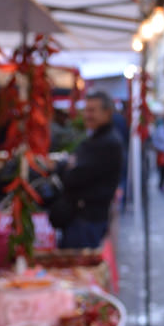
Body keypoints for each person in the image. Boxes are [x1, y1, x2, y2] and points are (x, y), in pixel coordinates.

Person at [58, 91, 123, 249]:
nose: (87, 115)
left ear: (107, 113)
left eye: (92, 110)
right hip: (85, 217)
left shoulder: (106, 143)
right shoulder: (98, 139)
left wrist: (64, 167)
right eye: (86, 110)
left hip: (87, 219)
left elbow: (73, 177)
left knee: (78, 263)